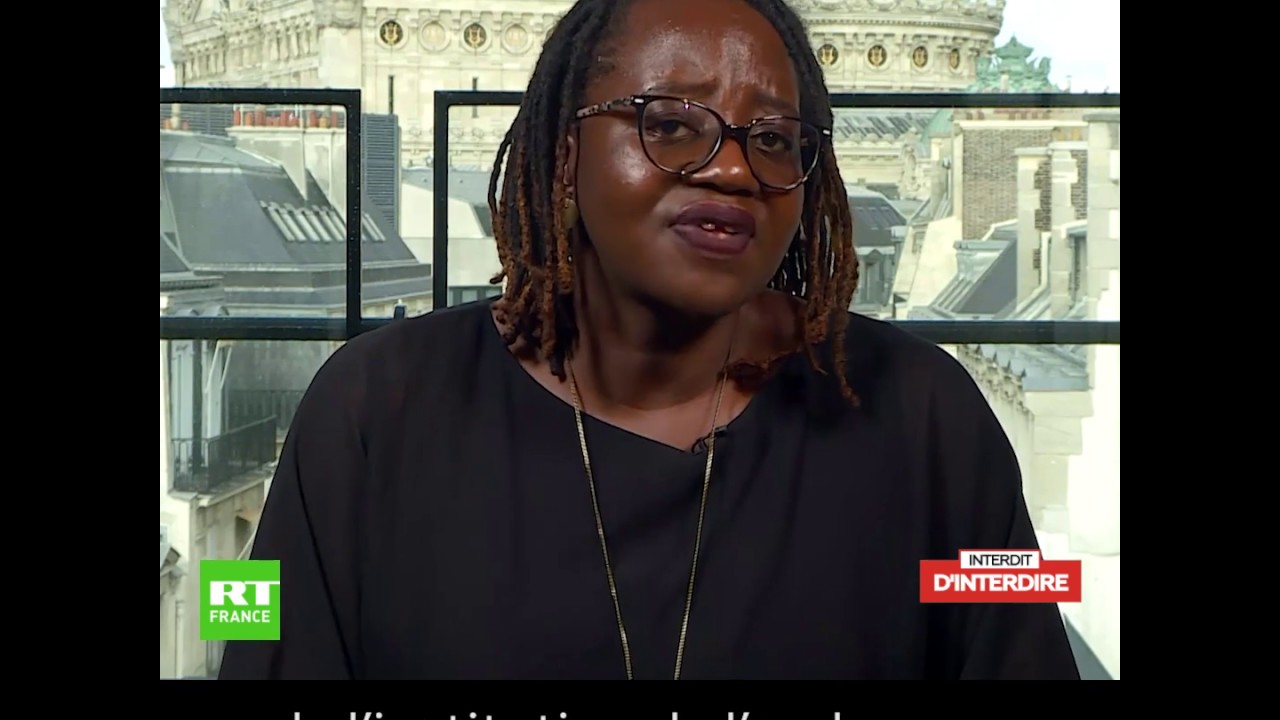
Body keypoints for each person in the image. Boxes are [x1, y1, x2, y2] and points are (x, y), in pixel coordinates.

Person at [219, 0, 1082, 681]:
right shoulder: (373, 409)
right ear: (566, 155)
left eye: (773, 140)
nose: (732, 168)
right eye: (669, 124)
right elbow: (259, 632)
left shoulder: (929, 416)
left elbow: (1021, 647)